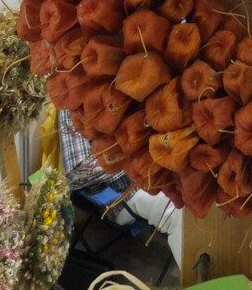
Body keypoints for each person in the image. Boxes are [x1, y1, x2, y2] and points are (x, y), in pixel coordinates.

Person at [58, 108, 183, 269]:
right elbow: (77, 173)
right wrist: (135, 166)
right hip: (125, 192)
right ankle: (199, 276)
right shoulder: (71, 108)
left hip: (157, 168)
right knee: (179, 213)